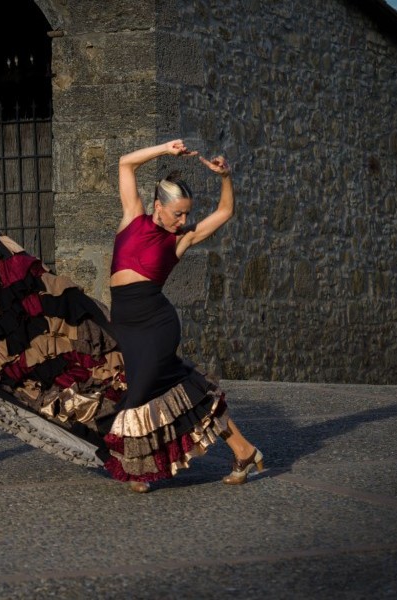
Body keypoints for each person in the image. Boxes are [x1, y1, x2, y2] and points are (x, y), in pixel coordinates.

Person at [102, 139, 263, 493]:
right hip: (125, 324)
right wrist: (165, 150)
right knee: (177, 390)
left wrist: (226, 178)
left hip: (157, 324)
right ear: (158, 206)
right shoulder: (133, 216)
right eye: (179, 214)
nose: (184, 221)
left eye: (188, 214)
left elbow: (224, 213)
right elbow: (125, 163)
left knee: (142, 390)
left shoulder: (182, 239)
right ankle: (243, 450)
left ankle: (142, 470)